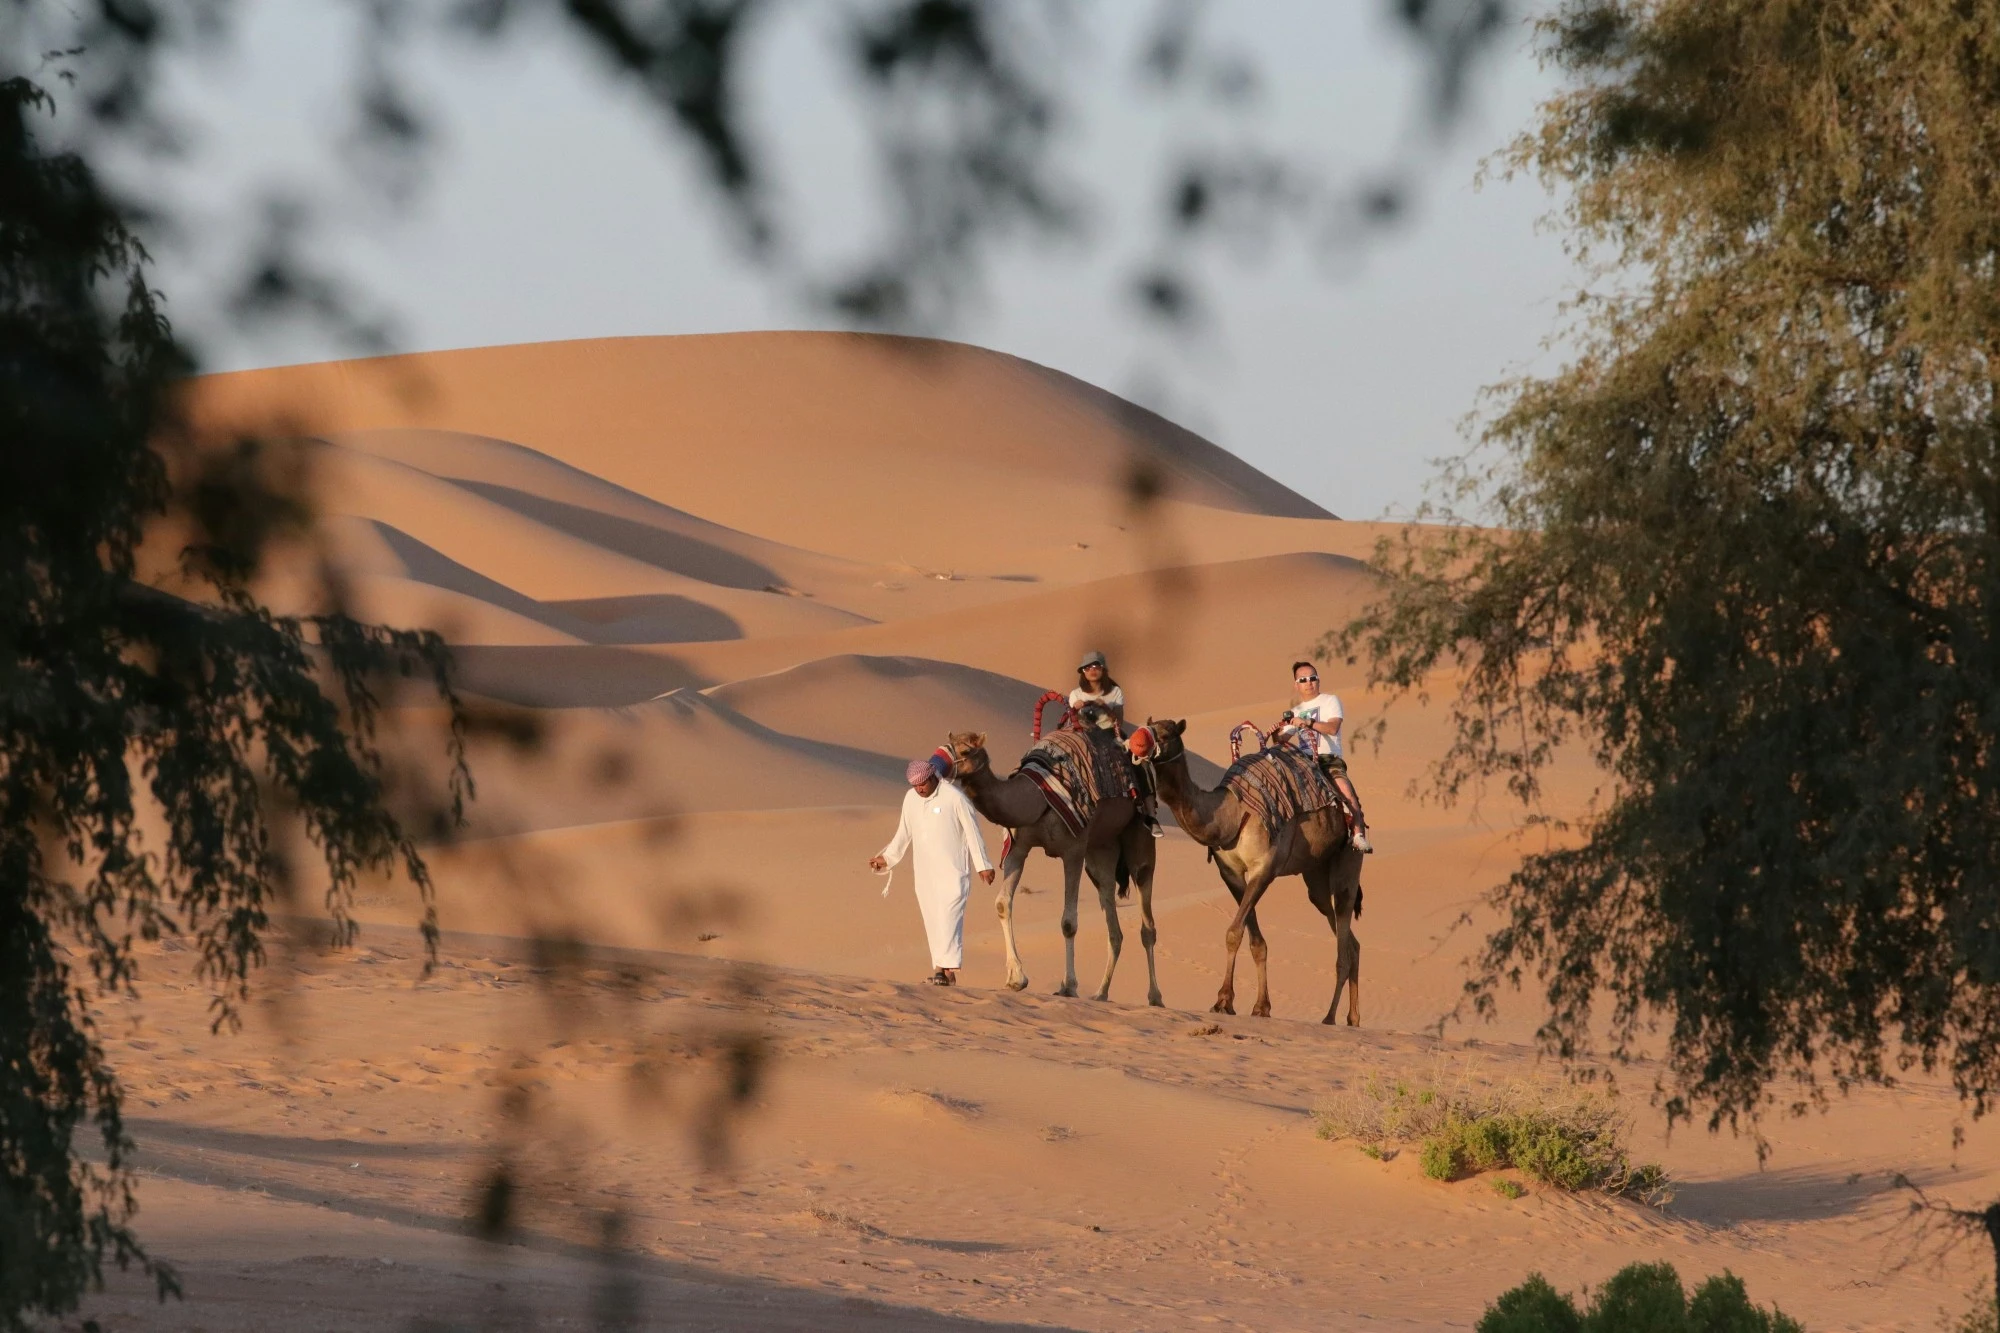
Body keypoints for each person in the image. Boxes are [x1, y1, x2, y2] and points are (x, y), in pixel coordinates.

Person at [869, 758, 996, 985]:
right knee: (933, 919)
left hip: (953, 870)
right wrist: (886, 859)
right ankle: (945, 973)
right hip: (925, 871)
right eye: (915, 785)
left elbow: (973, 832)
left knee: (949, 916)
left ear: (932, 777)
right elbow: (903, 833)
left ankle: (941, 969)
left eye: (922, 784)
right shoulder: (911, 799)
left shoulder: (954, 798)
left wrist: (983, 864)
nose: (919, 789)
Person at [1277, 660, 1374, 853]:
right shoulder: (1295, 711)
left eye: (1312, 678)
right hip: (1303, 762)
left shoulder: (1330, 701)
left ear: (1318, 680)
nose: (1309, 682)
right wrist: (1279, 730)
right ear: (1296, 685)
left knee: (1347, 792)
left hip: (1328, 760)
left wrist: (1307, 723)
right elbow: (1281, 740)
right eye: (1303, 680)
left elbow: (1332, 728)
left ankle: (1358, 835)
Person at [1068, 650, 1161, 836]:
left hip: (1111, 735)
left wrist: (1104, 707)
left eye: (1096, 666)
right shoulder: (1075, 694)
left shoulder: (1115, 692)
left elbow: (1119, 720)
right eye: (1087, 667)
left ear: (1103, 669)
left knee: (1140, 761)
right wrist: (1076, 708)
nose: (1092, 670)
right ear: (1083, 672)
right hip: (1083, 737)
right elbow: (1072, 720)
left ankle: (1151, 816)